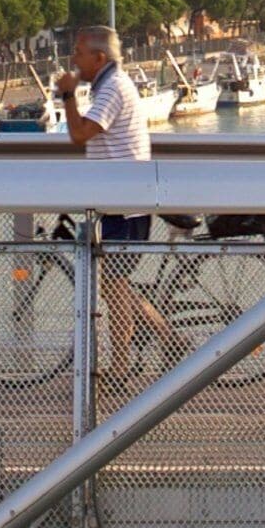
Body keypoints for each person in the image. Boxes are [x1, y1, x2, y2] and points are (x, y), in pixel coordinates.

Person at [52, 22, 171, 368]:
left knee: (114, 288)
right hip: (119, 200)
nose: (73, 59)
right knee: (117, 284)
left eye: (78, 52)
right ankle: (169, 338)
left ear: (99, 56)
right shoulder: (110, 84)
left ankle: (120, 367)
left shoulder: (112, 88)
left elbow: (80, 134)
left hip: (126, 205)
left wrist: (68, 94)